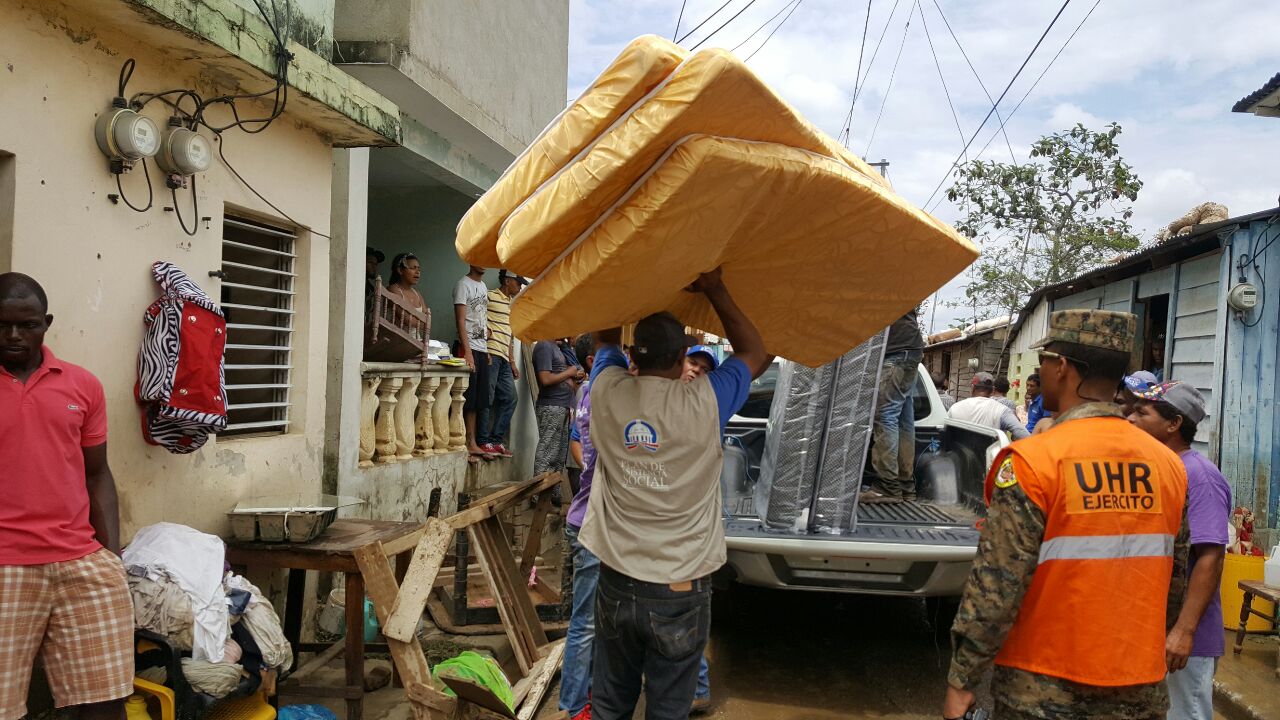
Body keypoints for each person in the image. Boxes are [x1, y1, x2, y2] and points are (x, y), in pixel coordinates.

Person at [943, 310, 1190, 720]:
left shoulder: (1034, 461)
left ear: (1060, 368)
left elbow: (997, 585)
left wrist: (962, 678)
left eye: (1044, 360)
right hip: (1138, 688)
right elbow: (1174, 580)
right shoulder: (1167, 466)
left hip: (1042, 688)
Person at [582, 268, 771, 720]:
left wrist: (626, 275)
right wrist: (714, 287)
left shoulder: (605, 389)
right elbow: (754, 351)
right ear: (684, 356)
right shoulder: (706, 400)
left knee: (609, 704)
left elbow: (602, 341)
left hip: (615, 578)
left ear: (633, 353)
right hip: (678, 586)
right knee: (669, 709)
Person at [559, 330, 714, 719]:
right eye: (690, 363)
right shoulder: (623, 398)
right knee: (641, 639)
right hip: (619, 539)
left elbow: (581, 444)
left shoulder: (598, 393)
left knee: (598, 635)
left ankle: (577, 705)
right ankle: (578, 704)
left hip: (594, 527)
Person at [0, 273, 133, 720]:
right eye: (2, 324)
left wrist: (111, 556)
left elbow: (98, 475)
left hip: (81, 563)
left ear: (46, 323)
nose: (14, 335)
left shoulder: (82, 385)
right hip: (5, 566)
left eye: (28, 324)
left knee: (104, 703)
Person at [1127, 382, 1230, 720]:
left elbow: (1210, 557)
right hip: (1152, 629)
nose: (1130, 419)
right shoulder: (1155, 469)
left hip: (1185, 638)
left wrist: (1183, 632)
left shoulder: (1199, 476)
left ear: (1173, 424)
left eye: (1143, 413)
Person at [866, 309, 925, 502]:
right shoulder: (902, 281)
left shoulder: (880, 281)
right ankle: (904, 486)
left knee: (885, 416)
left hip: (896, 350)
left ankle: (887, 486)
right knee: (902, 421)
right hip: (910, 350)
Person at [480, 270, 524, 458]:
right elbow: (474, 317)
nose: (520, 286)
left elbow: (510, 335)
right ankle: (482, 441)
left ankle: (496, 440)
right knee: (487, 398)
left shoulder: (513, 304)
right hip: (490, 354)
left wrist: (513, 361)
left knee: (510, 398)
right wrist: (484, 343)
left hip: (504, 359)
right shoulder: (489, 296)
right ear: (507, 281)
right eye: (517, 282)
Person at [453, 265, 491, 461]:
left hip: (481, 348)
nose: (483, 263)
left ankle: (472, 441)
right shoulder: (463, 285)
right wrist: (467, 351)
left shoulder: (483, 286)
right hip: (467, 348)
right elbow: (460, 321)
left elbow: (482, 318)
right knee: (466, 397)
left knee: (478, 400)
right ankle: (463, 442)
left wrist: (486, 348)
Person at [533, 337, 583, 479]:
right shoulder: (544, 345)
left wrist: (575, 374)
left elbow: (564, 372)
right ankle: (538, 495)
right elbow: (545, 379)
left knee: (558, 457)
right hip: (551, 406)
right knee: (547, 454)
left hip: (564, 406)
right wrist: (569, 372)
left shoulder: (559, 347)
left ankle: (553, 495)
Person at [948, 372, 1029, 440]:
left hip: (959, 457)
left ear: (972, 388)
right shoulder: (1002, 410)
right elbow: (1022, 434)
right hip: (990, 458)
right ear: (992, 390)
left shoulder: (955, 408)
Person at [387, 252, 428, 340]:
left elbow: (427, 321)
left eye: (419, 269)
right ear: (400, 270)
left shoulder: (417, 293)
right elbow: (407, 320)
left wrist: (422, 321)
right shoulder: (393, 289)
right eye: (413, 268)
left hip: (415, 342)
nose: (417, 272)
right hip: (397, 342)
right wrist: (422, 321)